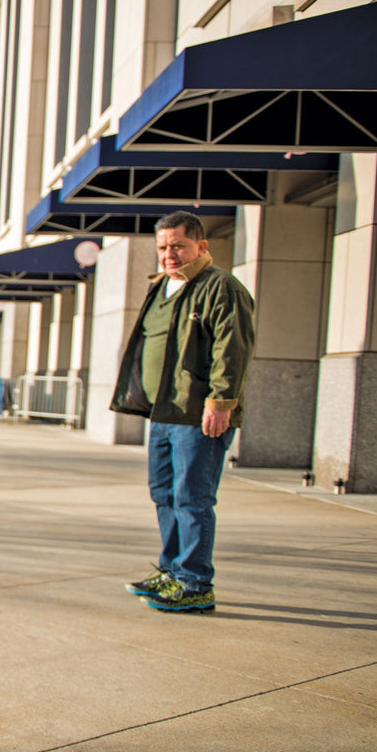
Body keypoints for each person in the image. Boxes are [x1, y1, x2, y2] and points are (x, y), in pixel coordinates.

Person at [111, 211, 255, 613]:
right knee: (164, 496)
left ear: (201, 246)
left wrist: (221, 401)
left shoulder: (220, 287)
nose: (169, 254)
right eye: (162, 247)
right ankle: (172, 571)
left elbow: (233, 348)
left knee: (192, 499)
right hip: (163, 414)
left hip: (199, 415)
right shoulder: (162, 287)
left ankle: (195, 582)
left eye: (178, 245)